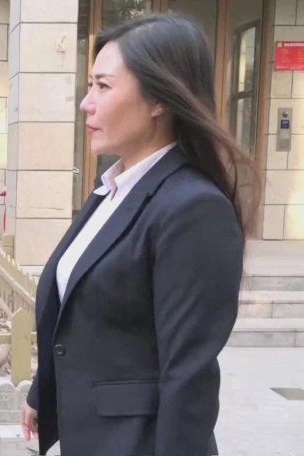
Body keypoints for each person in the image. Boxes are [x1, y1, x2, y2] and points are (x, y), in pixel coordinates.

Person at [20, 14, 259, 456]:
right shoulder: (112, 189)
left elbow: (189, 376)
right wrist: (44, 390)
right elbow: (83, 315)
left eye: (103, 86)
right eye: (89, 85)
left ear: (159, 100)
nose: (86, 103)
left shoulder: (193, 208)